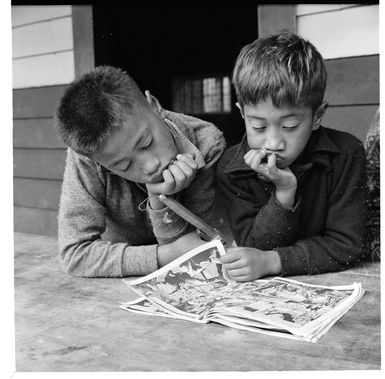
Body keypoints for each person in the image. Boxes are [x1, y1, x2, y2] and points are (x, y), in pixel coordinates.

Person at [217, 32, 368, 281]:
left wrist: (271, 261)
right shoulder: (232, 169)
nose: (273, 143)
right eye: (259, 127)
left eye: (289, 127)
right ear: (243, 114)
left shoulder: (346, 154)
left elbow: (347, 245)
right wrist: (283, 194)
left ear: (317, 116)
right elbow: (254, 247)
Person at [55, 65, 226, 277]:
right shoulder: (89, 155)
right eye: (124, 166)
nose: (150, 166)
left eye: (146, 143)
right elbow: (75, 254)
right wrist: (164, 255)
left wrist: (160, 199)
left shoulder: (206, 144)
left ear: (154, 106)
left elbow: (194, 249)